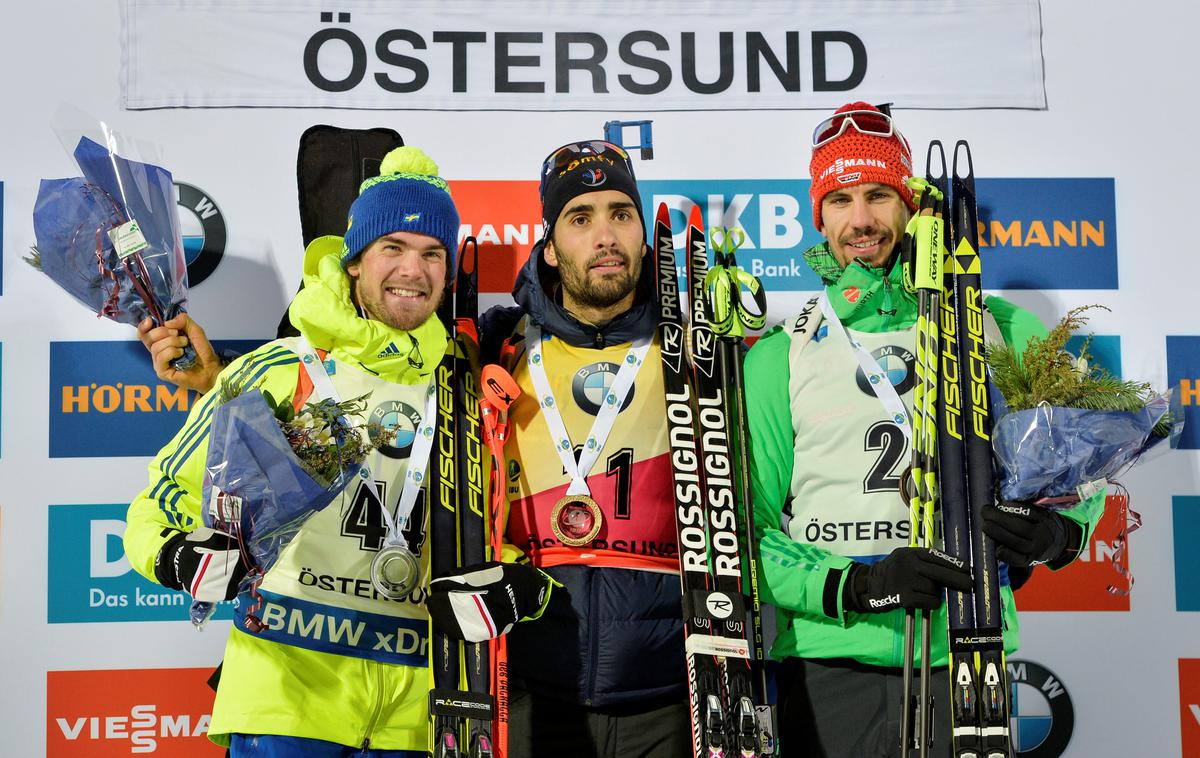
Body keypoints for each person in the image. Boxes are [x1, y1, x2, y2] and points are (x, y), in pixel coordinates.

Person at [743, 102, 1107, 757]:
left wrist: (1058, 532)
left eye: (880, 195)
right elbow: (745, 534)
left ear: (911, 204)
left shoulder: (999, 327)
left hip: (967, 652)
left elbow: (1084, 468)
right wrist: (856, 584)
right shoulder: (780, 355)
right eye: (841, 199)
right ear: (817, 214)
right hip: (829, 665)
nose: (861, 221)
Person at [125, 145, 461, 757]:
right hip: (285, 699)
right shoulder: (284, 369)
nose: (414, 269)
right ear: (355, 261)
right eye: (393, 247)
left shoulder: (460, 385)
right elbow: (158, 502)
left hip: (416, 714)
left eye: (432, 253)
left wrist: (522, 577)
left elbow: (486, 526)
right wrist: (179, 557)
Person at [426, 140, 691, 757]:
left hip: (669, 694)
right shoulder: (494, 346)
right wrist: (216, 376)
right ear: (549, 245)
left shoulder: (697, 348)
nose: (605, 235)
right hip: (523, 688)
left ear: (645, 237)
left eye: (621, 214)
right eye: (581, 218)